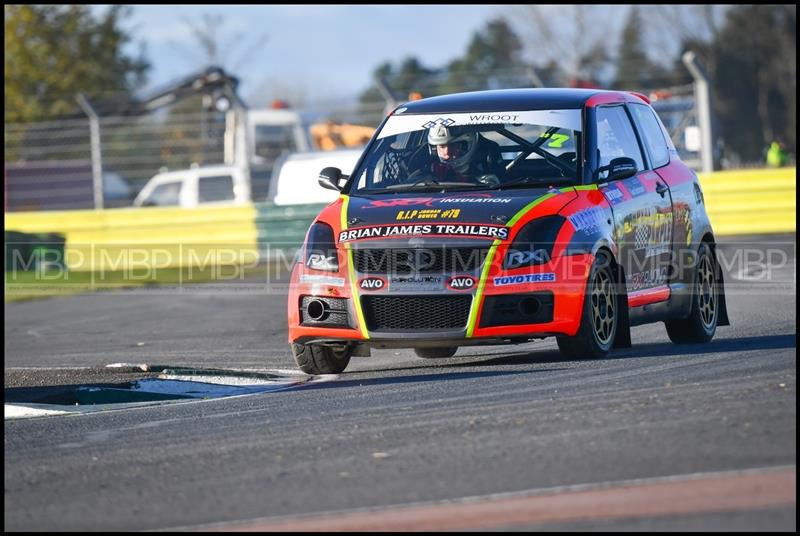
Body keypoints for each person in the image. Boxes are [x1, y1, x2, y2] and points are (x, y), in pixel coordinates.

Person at [425, 125, 503, 185]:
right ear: (434, 148)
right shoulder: (424, 164)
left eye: (453, 146)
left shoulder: (487, 159)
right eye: (441, 146)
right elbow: (415, 183)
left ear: (467, 146)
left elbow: (500, 187)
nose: (447, 153)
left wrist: (467, 179)